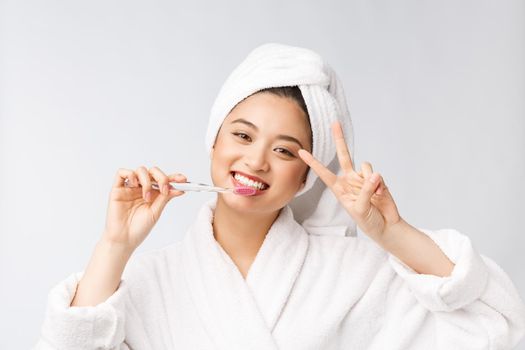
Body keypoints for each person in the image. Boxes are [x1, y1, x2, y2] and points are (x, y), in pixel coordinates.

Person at [35, 43, 525, 350]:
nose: (256, 162)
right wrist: (114, 247)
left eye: (285, 150)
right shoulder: (150, 278)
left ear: (306, 176)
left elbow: (495, 326)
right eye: (243, 136)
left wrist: (391, 233)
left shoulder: (351, 272)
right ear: (214, 140)